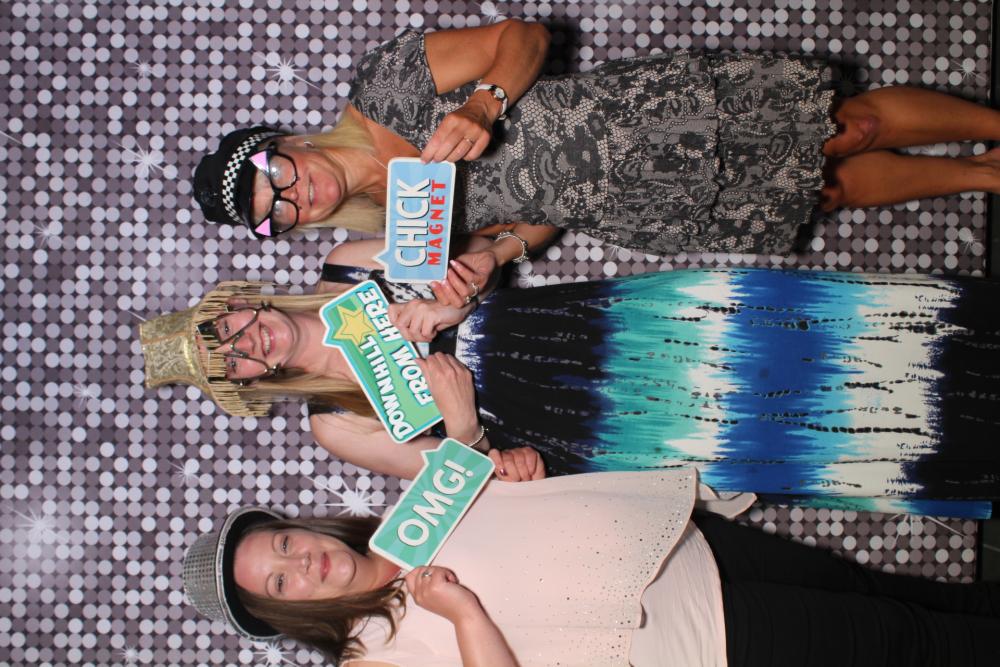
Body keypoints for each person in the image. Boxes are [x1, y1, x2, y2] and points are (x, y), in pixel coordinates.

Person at [139, 239, 1000, 517]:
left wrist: (457, 288)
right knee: (803, 431)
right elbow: (464, 486)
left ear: (239, 300)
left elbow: (499, 240)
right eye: (232, 359)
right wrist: (462, 423)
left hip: (610, 325)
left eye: (227, 327)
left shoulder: (351, 263)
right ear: (249, 381)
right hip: (604, 423)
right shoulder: (335, 422)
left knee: (816, 329)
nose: (245, 341)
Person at [192, 19, 1000, 301]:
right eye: (278, 216)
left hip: (647, 116)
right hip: (635, 203)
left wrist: (484, 105)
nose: (295, 197)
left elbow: (525, 37)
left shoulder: (385, 90)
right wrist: (496, 254)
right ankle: (983, 175)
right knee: (826, 190)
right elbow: (539, 218)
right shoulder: (393, 230)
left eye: (275, 178)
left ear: (282, 143)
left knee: (847, 127)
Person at [182, 474, 1000, 666]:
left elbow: (501, 479)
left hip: (690, 549)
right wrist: (464, 614)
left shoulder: (407, 518)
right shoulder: (368, 658)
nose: (302, 560)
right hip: (703, 642)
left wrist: (508, 460)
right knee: (905, 639)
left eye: (283, 542)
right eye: (281, 582)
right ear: (284, 615)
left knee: (888, 592)